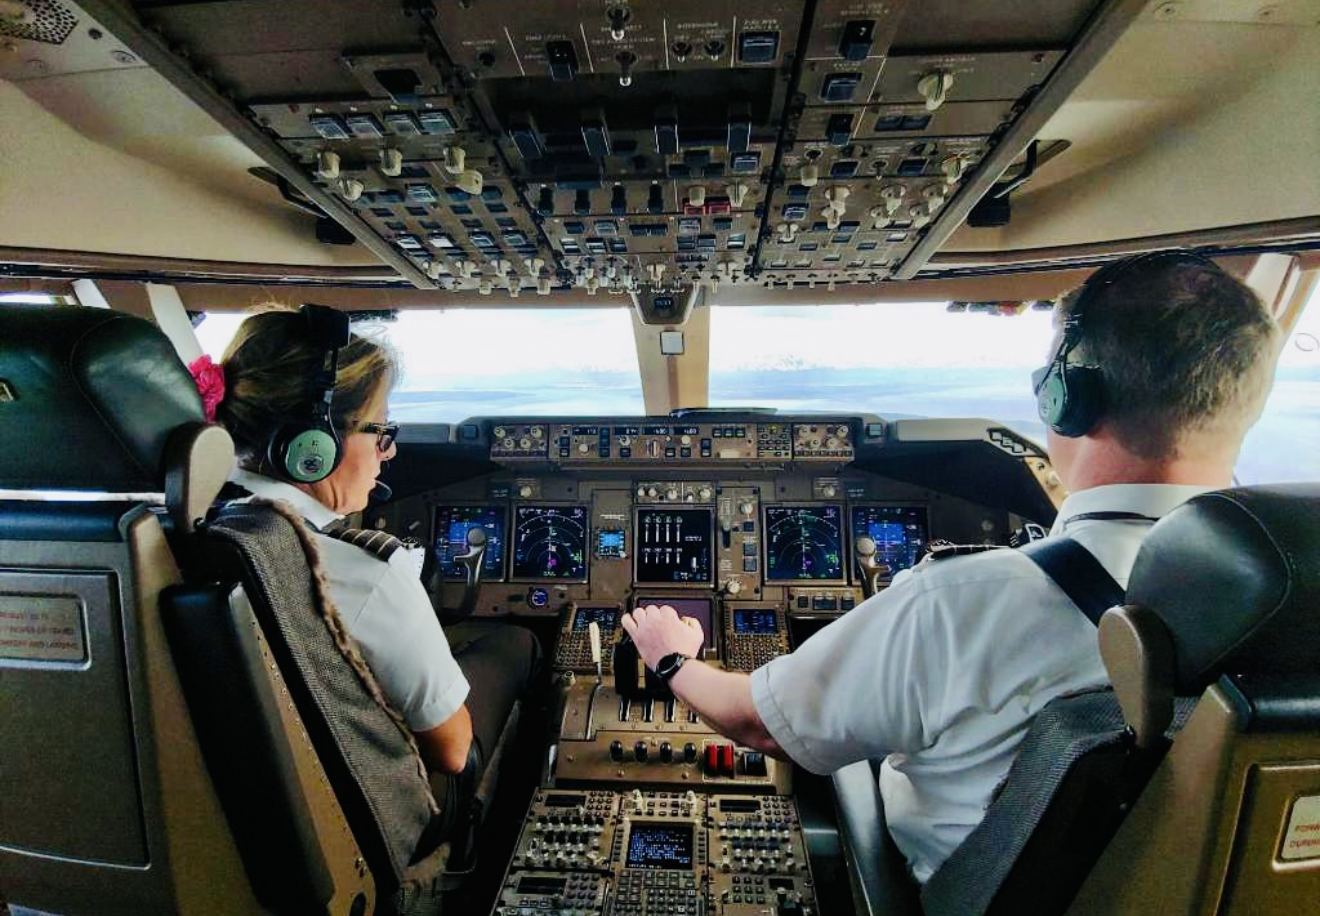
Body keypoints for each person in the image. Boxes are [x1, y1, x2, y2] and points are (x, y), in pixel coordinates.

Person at [622, 251, 1281, 884]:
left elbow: (757, 721)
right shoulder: (1293, 602)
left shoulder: (968, 598)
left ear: (1065, 397)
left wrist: (673, 657)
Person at [194, 304, 539, 828]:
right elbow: (450, 751)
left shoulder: (181, 531)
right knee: (518, 643)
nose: (391, 451)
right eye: (381, 430)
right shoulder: (362, 571)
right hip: (364, 813)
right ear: (314, 445)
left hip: (232, 801)